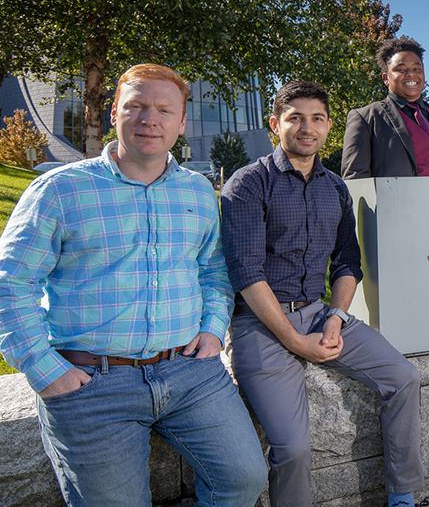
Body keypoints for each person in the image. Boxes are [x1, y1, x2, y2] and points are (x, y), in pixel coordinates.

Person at [0, 64, 268, 506]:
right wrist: (47, 373)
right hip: (92, 383)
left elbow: (212, 269)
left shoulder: (198, 191)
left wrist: (212, 326)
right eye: (137, 106)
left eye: (165, 110)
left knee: (243, 479)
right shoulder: (60, 189)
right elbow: (12, 284)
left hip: (189, 373)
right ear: (113, 113)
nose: (150, 120)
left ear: (182, 123)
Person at [221, 81, 425, 507]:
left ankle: (402, 497)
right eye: (295, 118)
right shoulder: (248, 183)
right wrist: (295, 341)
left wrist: (335, 317)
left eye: (316, 119)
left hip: (318, 313)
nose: (306, 127)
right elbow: (246, 272)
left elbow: (348, 263)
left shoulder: (334, 187)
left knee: (404, 377)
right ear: (275, 123)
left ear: (329, 126)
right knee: (293, 448)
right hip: (259, 323)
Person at [342, 36, 429, 178]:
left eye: (416, 68)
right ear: (386, 78)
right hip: (395, 200)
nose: (410, 73)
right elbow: (355, 179)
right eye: (400, 69)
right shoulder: (366, 119)